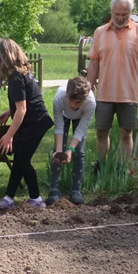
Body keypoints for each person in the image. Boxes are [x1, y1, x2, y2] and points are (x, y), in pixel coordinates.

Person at [86, 0, 138, 167]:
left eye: (125, 14)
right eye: (117, 14)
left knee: (126, 133)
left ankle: (122, 170)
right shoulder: (100, 32)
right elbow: (93, 64)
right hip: (104, 94)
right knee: (101, 132)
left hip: (129, 94)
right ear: (111, 11)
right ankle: (103, 167)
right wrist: (88, 89)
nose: (120, 18)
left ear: (130, 13)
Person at [0, 38, 54, 210]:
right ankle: (9, 199)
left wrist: (9, 135)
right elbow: (25, 102)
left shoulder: (16, 78)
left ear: (2, 58)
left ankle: (37, 199)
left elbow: (22, 109)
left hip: (35, 123)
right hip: (33, 121)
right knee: (19, 160)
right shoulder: (21, 74)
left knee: (23, 161)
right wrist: (9, 111)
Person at [46, 76, 96, 206]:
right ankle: (54, 189)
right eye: (70, 100)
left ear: (84, 99)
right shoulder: (59, 99)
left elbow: (82, 129)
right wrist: (59, 150)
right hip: (63, 116)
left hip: (80, 118)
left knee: (79, 152)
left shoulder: (90, 103)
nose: (73, 105)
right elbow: (58, 126)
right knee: (58, 151)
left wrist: (71, 149)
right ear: (66, 94)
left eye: (77, 103)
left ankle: (76, 191)